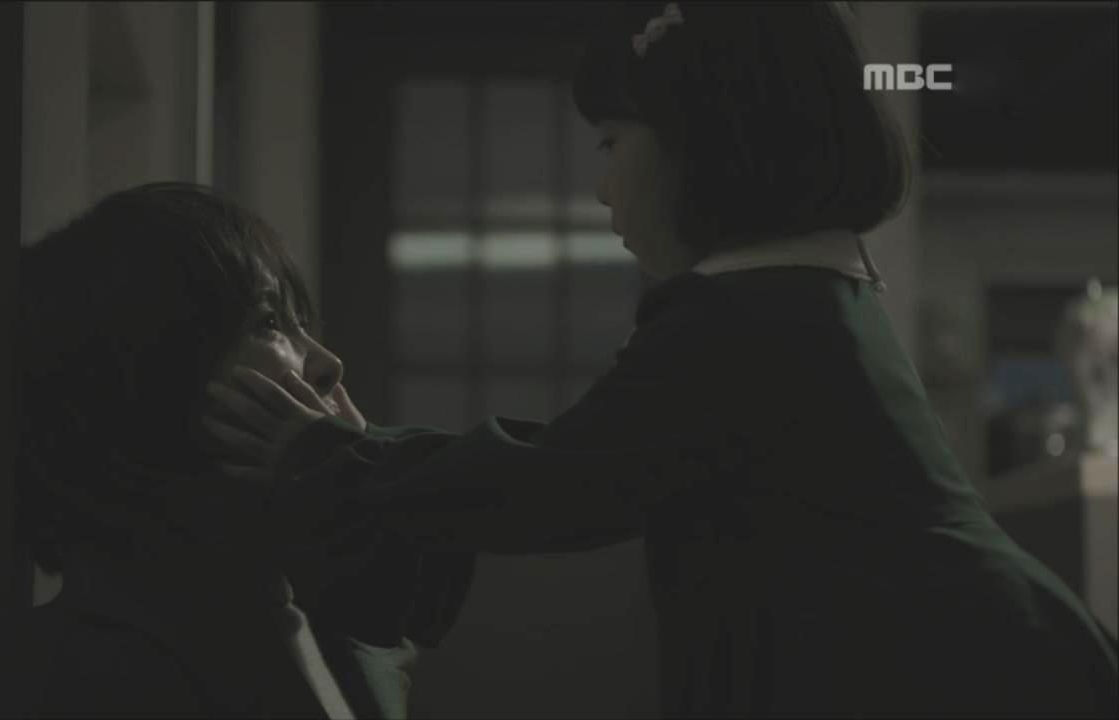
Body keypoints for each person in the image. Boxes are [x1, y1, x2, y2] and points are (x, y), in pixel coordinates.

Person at [202, 2, 1119, 716]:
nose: (602, 187)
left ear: (711, 141)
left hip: (968, 673)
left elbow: (555, 483)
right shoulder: (804, 296)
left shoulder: (750, 317)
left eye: (612, 144)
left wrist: (330, 457)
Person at [17, 182, 473, 718]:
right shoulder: (103, 670)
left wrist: (352, 496)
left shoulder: (300, 610)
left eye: (302, 324)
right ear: (156, 379)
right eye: (270, 323)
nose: (328, 364)